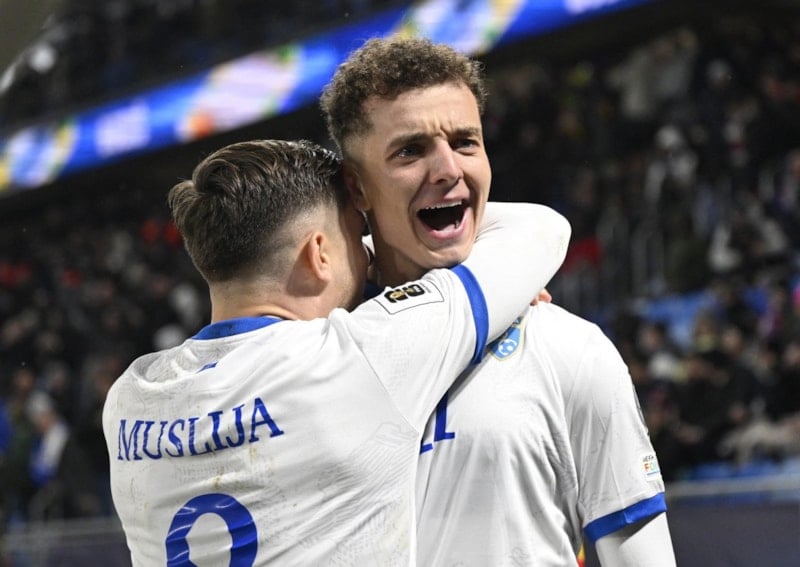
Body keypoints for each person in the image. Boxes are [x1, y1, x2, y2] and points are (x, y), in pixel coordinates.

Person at [102, 138, 570, 565]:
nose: (366, 256)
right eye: (357, 234)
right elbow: (541, 229)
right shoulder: (357, 358)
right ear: (319, 254)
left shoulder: (129, 398)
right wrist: (390, 240)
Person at [320, 37, 677, 566]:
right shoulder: (315, 358)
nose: (448, 169)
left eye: (465, 142)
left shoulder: (570, 350)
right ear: (356, 188)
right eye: (410, 151)